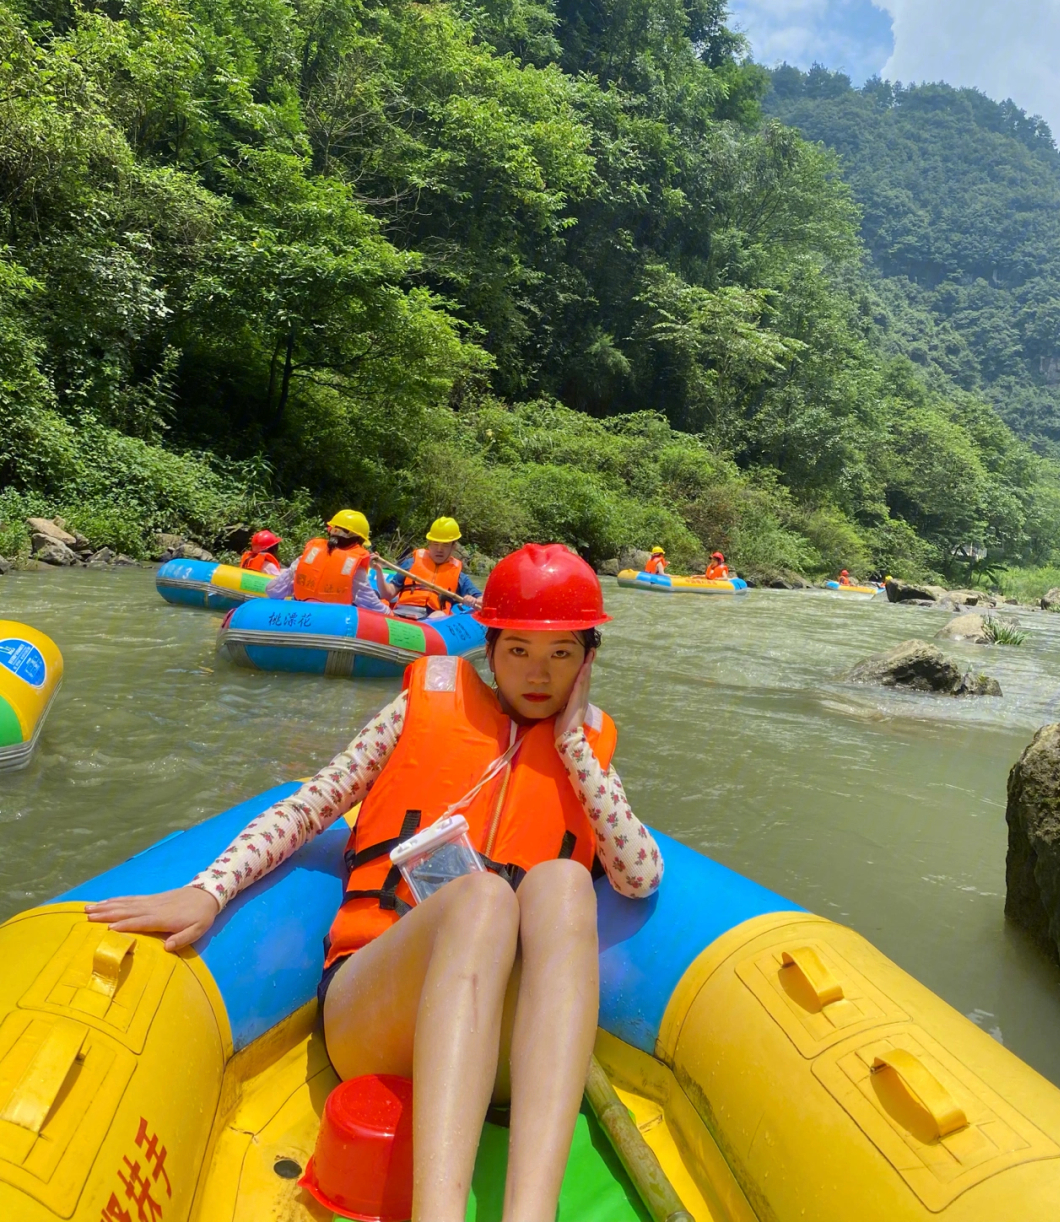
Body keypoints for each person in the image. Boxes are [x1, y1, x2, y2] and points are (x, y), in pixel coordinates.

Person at [85, 544, 662, 1222]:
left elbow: (640, 874)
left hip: (504, 1051)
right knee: (480, 898)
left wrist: (570, 748)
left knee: (565, 879)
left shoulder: (586, 748)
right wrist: (209, 887)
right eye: (519, 651)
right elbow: (310, 805)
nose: (540, 674)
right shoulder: (420, 707)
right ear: (490, 645)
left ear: (588, 658)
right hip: (377, 1008)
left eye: (562, 654)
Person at [267, 509, 389, 612]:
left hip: (299, 614)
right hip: (332, 622)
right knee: (383, 601)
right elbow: (370, 604)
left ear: (331, 531)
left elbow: (273, 591)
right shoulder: (353, 567)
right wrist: (389, 613)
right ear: (358, 540)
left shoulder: (307, 557)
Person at [385, 516, 482, 617]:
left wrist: (473, 600)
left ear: (453, 546)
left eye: (445, 545)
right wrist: (379, 571)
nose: (439, 549)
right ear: (429, 544)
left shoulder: (460, 577)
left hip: (432, 620)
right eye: (435, 544)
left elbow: (482, 600)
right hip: (402, 612)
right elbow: (389, 592)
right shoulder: (411, 563)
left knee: (439, 614)